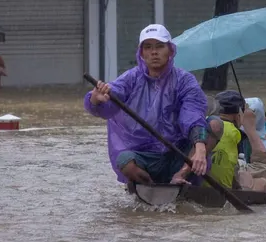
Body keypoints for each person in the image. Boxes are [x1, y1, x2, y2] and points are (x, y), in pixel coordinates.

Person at [84, 24, 208, 188]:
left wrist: (200, 147)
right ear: (141, 53)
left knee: (213, 124)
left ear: (170, 51)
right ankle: (150, 187)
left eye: (159, 46)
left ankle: (181, 174)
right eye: (148, 47)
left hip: (180, 153)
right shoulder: (130, 78)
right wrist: (95, 99)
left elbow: (192, 114)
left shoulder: (185, 81)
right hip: (146, 155)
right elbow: (108, 102)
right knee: (124, 161)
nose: (154, 52)